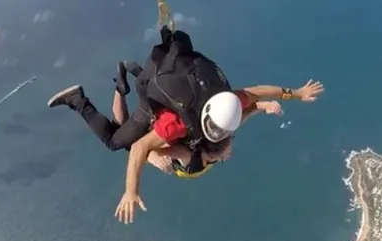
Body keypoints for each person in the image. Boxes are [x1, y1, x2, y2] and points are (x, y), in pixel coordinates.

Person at [47, 26, 324, 223]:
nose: (228, 153)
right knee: (115, 141)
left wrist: (294, 94)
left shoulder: (228, 104)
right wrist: (132, 190)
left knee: (125, 134)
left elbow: (258, 93)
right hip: (154, 111)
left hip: (179, 98)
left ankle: (123, 83)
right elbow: (140, 149)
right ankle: (79, 100)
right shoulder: (178, 127)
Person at [109, 64, 285, 177]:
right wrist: (265, 106)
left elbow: (153, 151)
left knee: (131, 136)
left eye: (227, 153)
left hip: (169, 131)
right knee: (123, 139)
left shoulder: (190, 156)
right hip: (167, 129)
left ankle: (137, 82)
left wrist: (265, 106)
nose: (230, 153)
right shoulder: (199, 152)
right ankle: (122, 87)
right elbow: (245, 113)